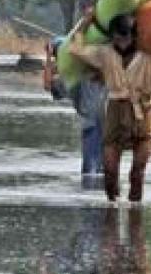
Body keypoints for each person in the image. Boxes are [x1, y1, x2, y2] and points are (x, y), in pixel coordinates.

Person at [69, 13, 151, 202]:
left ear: (134, 37)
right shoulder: (105, 53)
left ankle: (135, 220)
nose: (121, 44)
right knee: (109, 172)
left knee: (137, 173)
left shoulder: (148, 57)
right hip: (115, 111)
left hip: (143, 112)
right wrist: (85, 24)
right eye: (117, 39)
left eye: (125, 38)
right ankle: (112, 215)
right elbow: (76, 50)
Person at [45, 38, 107, 183]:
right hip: (111, 129)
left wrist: (49, 59)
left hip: (94, 128)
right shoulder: (104, 69)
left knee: (90, 173)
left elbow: (48, 85)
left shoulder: (75, 76)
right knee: (104, 173)